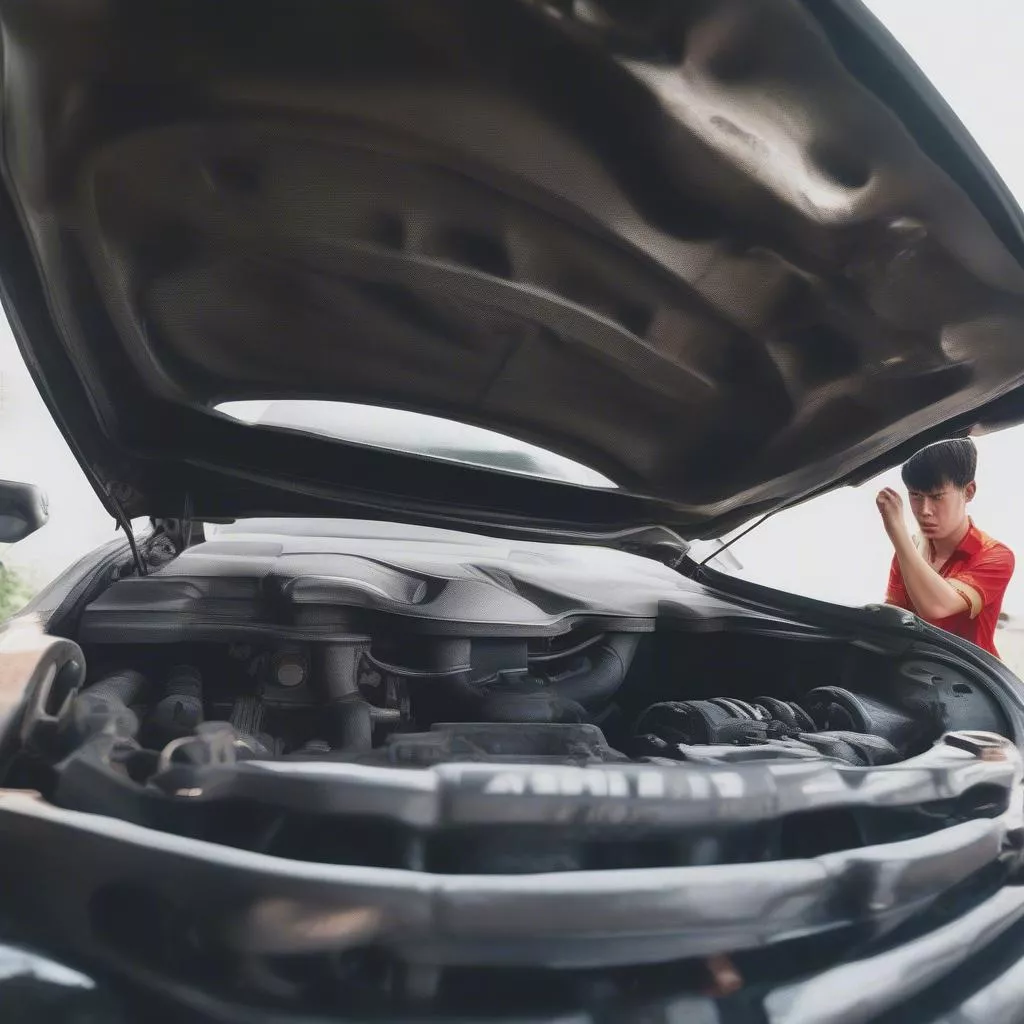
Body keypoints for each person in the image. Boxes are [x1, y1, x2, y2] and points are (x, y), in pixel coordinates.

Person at [877, 438, 1014, 658]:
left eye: (937, 497)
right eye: (915, 495)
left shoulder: (995, 555)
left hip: (975, 678)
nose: (924, 510)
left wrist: (897, 531)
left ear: (968, 492)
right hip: (919, 668)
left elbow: (936, 607)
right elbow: (895, 616)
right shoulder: (910, 548)